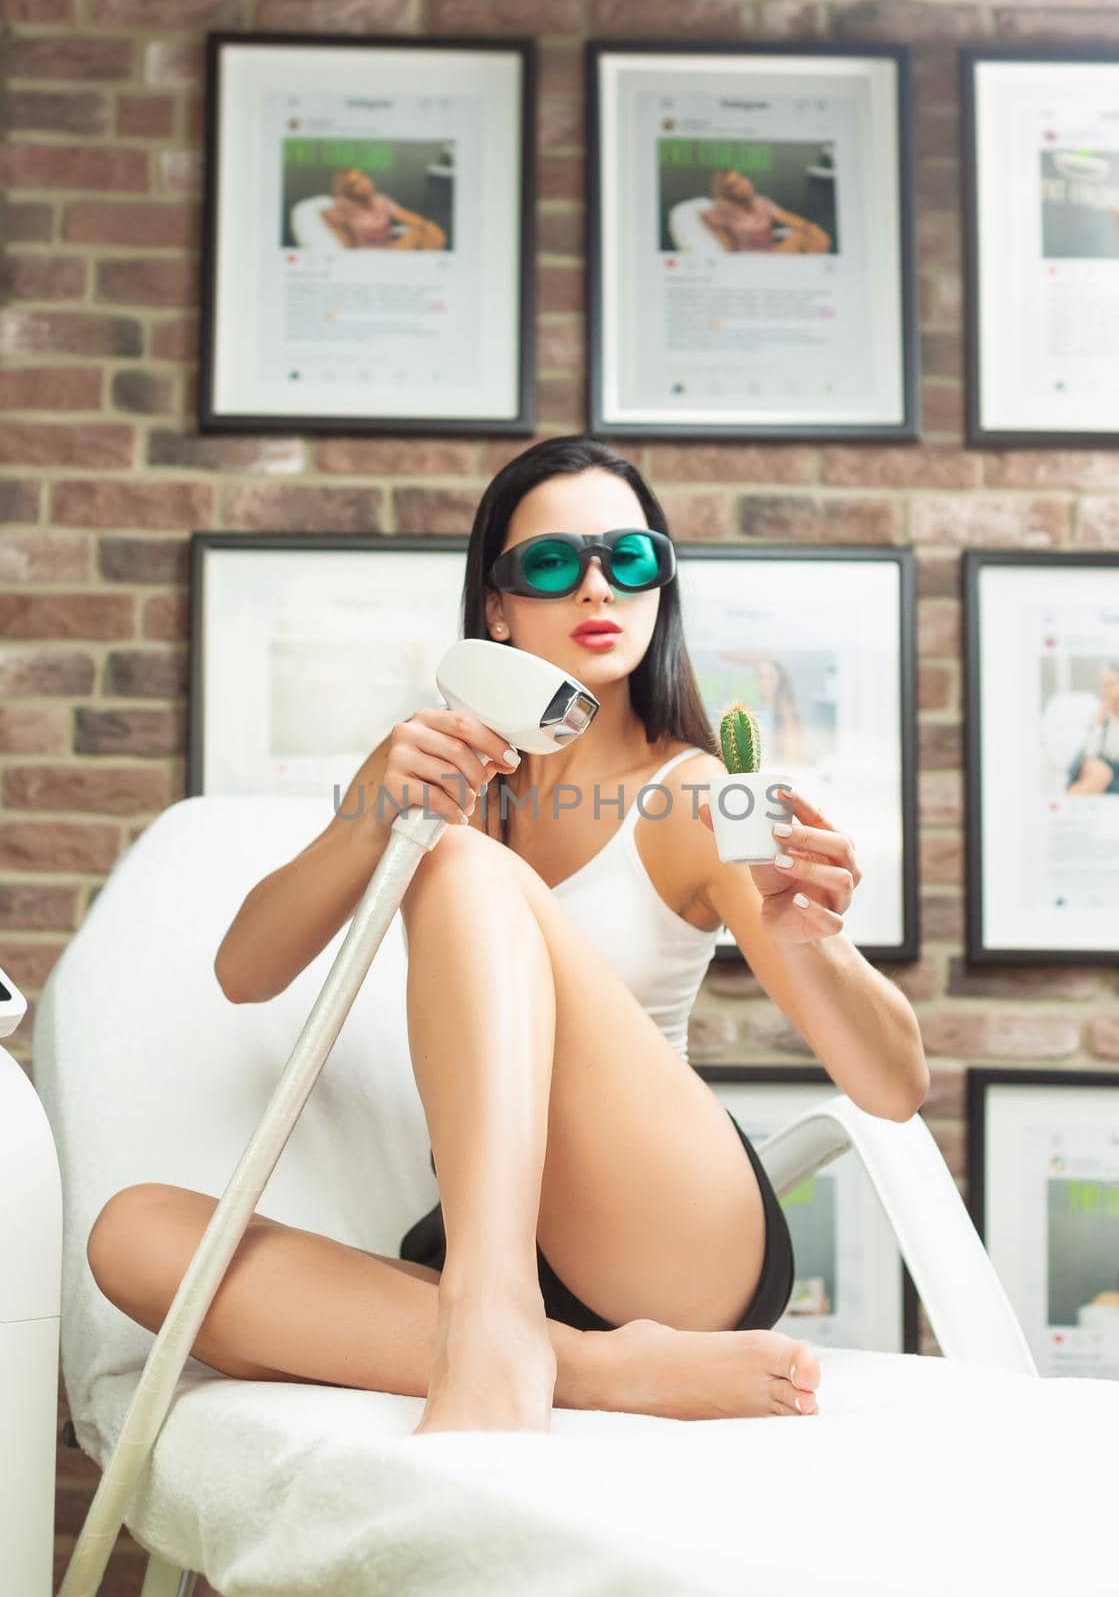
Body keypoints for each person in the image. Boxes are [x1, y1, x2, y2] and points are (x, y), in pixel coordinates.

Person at [85, 437, 928, 1438]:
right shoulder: (437, 774)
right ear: (497, 607)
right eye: (551, 563)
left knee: (461, 862)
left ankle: (490, 1321)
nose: (595, 587)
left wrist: (814, 941)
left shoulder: (700, 792)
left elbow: (892, 1088)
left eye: (630, 556)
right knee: (134, 1237)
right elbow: (245, 971)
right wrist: (368, 812)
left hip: (669, 1229)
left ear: (662, 585)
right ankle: (589, 1364)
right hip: (498, 1250)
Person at [700, 168, 832, 254]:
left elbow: (786, 217)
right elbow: (722, 240)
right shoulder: (724, 208)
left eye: (741, 178)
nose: (742, 185)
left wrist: (811, 228)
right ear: (728, 193)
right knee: (804, 237)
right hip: (752, 261)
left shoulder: (761, 202)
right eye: (733, 185)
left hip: (772, 251)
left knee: (816, 236)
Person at [317, 166, 446, 251]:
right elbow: (325, 215)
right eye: (355, 183)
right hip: (370, 257)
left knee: (427, 231)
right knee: (422, 234)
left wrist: (428, 225)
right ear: (348, 191)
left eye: (363, 176)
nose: (364, 182)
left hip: (389, 247)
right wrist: (341, 233)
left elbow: (404, 215)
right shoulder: (344, 208)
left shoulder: (381, 200)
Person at [1064, 662, 1119, 795]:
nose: (1104, 691)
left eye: (1110, 685)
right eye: (1102, 685)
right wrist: (1098, 724)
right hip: (1099, 766)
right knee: (1101, 773)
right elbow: (1089, 753)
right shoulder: (1100, 716)